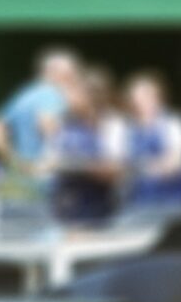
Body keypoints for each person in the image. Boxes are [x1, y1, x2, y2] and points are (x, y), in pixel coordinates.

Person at [43, 69, 126, 224]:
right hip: (63, 205)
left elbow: (115, 171)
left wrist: (81, 166)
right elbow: (48, 162)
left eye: (73, 93)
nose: (66, 98)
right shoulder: (62, 122)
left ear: (89, 96)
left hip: (98, 208)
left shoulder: (113, 124)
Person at [0, 49, 80, 183]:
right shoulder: (52, 94)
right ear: (55, 72)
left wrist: (13, 159)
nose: (73, 80)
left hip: (19, 176)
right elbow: (47, 124)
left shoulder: (24, 94)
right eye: (70, 75)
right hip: (44, 176)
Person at [120, 71, 181, 208]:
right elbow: (123, 165)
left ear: (159, 96)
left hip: (175, 196)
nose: (144, 101)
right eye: (139, 97)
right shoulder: (129, 129)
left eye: (148, 96)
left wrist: (144, 167)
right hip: (141, 198)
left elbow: (177, 160)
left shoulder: (173, 123)